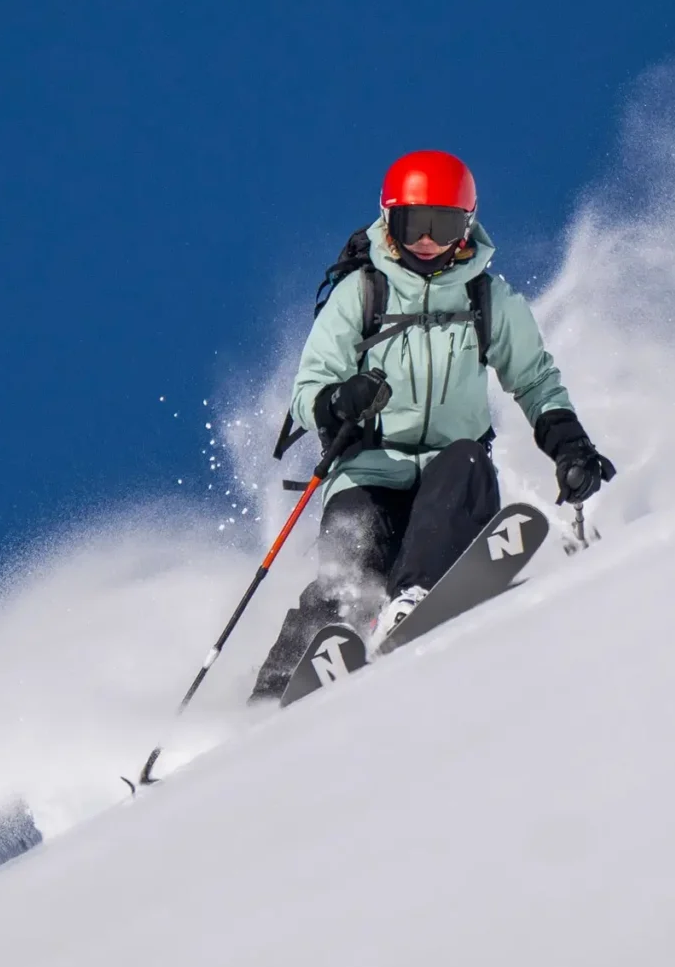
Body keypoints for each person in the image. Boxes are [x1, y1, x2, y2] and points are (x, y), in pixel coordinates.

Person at [250, 149, 614, 700]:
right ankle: (271, 696)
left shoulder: (487, 299)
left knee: (465, 458)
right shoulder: (362, 295)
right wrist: (340, 400)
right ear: (387, 221)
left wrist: (571, 448)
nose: (424, 239)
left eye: (440, 225)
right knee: (347, 566)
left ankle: (414, 597)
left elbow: (535, 381)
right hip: (369, 471)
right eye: (410, 223)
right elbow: (306, 392)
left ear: (465, 226)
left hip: (451, 479)